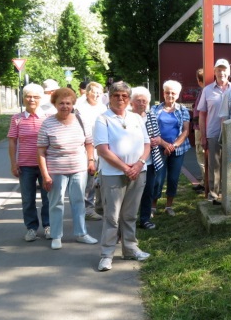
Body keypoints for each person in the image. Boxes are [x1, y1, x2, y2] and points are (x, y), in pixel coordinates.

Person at [93, 81, 151, 271]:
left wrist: (139, 163)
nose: (120, 99)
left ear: (129, 99)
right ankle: (107, 254)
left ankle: (130, 248)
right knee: (112, 216)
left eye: (124, 96)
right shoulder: (103, 119)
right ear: (109, 98)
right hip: (113, 174)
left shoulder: (136, 118)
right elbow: (102, 149)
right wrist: (126, 168)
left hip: (138, 172)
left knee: (130, 214)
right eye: (116, 96)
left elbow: (147, 144)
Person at [37, 87, 99, 250]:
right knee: (55, 202)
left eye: (68, 103)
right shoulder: (47, 123)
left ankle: (81, 233)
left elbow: (89, 143)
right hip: (56, 170)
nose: (65, 106)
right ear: (54, 104)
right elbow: (41, 150)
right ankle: (56, 236)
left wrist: (90, 161)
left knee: (78, 201)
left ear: (73, 104)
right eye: (61, 103)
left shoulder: (81, 120)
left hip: (79, 168)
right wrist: (45, 175)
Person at [8, 83, 51, 242]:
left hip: (46, 166)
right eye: (28, 96)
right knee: (27, 199)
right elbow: (12, 142)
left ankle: (48, 226)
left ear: (41, 99)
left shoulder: (48, 118)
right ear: (23, 98)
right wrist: (14, 163)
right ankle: (31, 228)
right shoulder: (17, 119)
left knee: (48, 198)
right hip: (25, 166)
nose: (31, 99)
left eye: (36, 97)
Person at [197, 59, 231, 205]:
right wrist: (203, 135)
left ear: (229, 72)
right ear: (214, 72)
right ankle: (213, 195)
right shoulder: (207, 90)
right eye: (219, 70)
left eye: (224, 69)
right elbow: (201, 114)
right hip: (213, 132)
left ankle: (229, 194)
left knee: (230, 164)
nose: (222, 73)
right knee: (214, 165)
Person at [151, 80, 191, 216]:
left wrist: (173, 146)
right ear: (163, 93)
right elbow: (151, 129)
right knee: (158, 178)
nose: (170, 95)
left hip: (177, 149)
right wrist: (164, 144)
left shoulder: (183, 110)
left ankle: (169, 206)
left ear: (178, 94)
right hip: (158, 148)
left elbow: (186, 131)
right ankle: (153, 206)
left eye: (173, 93)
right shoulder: (154, 109)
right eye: (167, 92)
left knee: (173, 178)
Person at [130, 87, 164, 230]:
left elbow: (157, 134)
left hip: (149, 160)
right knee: (131, 193)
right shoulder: (127, 116)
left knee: (148, 191)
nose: (142, 104)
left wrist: (156, 139)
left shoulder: (150, 116)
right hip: (131, 161)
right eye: (138, 100)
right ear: (132, 102)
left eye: (144, 101)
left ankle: (144, 219)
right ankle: (129, 220)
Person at [74, 81, 107, 221]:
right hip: (87, 147)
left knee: (101, 178)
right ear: (87, 93)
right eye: (94, 92)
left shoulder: (103, 108)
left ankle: (99, 206)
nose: (97, 94)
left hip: (102, 146)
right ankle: (87, 208)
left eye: (99, 92)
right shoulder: (80, 109)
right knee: (90, 177)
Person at [191, 68, 206, 193]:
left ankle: (206, 182)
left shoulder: (204, 92)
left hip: (200, 129)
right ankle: (205, 181)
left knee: (201, 155)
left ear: (199, 81)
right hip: (203, 128)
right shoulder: (207, 91)